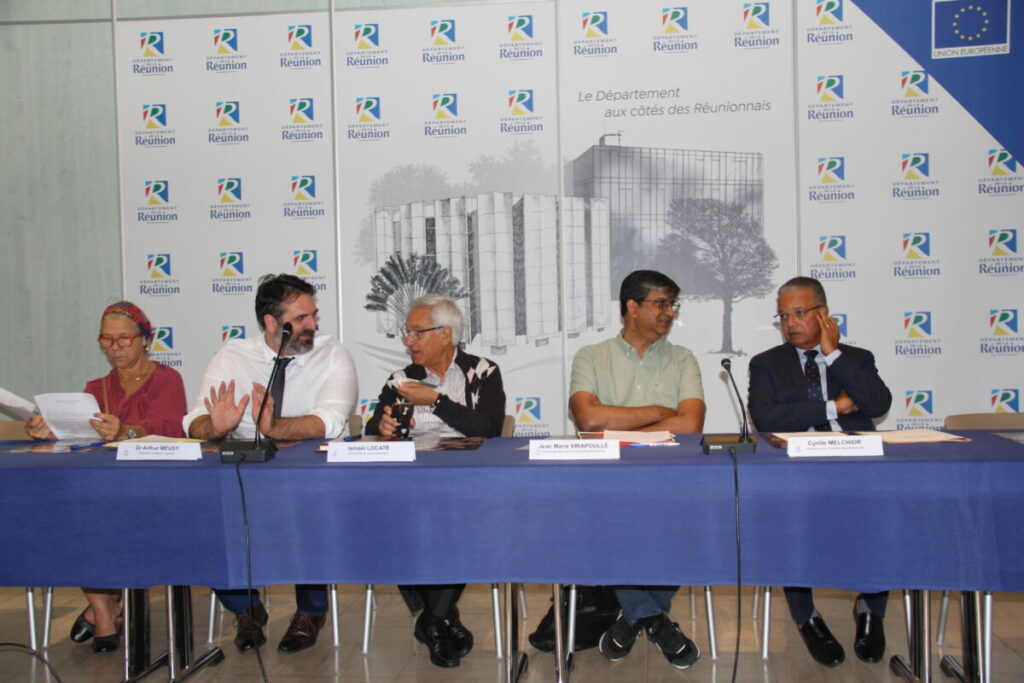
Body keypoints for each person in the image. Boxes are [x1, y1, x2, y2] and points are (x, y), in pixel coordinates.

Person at [183, 273, 357, 655]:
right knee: (203, 517)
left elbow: (329, 420)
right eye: (301, 318)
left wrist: (275, 427)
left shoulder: (332, 354)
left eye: (313, 315)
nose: (312, 324)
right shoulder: (232, 356)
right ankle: (245, 608)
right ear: (271, 322)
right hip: (249, 469)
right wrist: (215, 426)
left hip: (311, 472)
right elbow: (194, 421)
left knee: (307, 512)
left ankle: (311, 611)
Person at [747, 275, 892, 668]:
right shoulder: (766, 364)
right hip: (797, 466)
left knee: (880, 519)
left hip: (855, 463)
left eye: (799, 313)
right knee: (790, 524)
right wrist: (835, 407)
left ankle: (870, 609)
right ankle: (806, 616)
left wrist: (833, 354)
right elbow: (767, 418)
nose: (790, 323)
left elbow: (876, 403)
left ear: (824, 314)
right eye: (783, 316)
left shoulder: (855, 358)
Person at [26, 301, 187, 653]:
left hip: (153, 488)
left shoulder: (166, 379)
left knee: (96, 519)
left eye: (124, 339)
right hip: (103, 488)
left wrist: (127, 431)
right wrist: (51, 431)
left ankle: (106, 606)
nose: (115, 347)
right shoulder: (96, 388)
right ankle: (103, 611)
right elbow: (80, 436)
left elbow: (170, 427)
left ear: (146, 339)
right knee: (69, 516)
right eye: (107, 339)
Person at [571, 270, 705, 671]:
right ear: (632, 306)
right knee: (610, 518)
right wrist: (660, 413)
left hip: (671, 478)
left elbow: (691, 424)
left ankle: (634, 617)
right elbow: (588, 419)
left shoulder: (683, 358)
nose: (670, 312)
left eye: (672, 305)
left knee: (686, 520)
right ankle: (654, 619)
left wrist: (619, 429)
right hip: (608, 480)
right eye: (661, 303)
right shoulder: (592, 357)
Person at [365, 294, 505, 668]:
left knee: (458, 521)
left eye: (417, 332)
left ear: (446, 333)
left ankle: (431, 620)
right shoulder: (400, 379)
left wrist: (435, 400)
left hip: (467, 484)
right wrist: (382, 427)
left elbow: (489, 429)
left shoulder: (483, 372)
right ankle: (442, 618)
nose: (408, 340)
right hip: (410, 485)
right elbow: (371, 430)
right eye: (406, 333)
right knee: (387, 518)